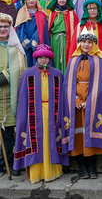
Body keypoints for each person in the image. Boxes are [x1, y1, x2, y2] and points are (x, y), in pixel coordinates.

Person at [14, 44, 69, 183]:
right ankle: (37, 173)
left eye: (46, 57)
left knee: (50, 140)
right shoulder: (28, 73)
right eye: (40, 57)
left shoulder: (57, 74)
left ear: (49, 58)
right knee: (36, 141)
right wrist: (22, 117)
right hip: (34, 114)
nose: (43, 60)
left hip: (52, 113)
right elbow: (22, 98)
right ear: (36, 58)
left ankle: (52, 171)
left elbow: (62, 98)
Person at [64, 27, 102, 179]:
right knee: (78, 135)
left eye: (89, 42)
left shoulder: (101, 60)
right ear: (79, 43)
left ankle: (92, 166)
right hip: (77, 103)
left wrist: (90, 102)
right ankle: (82, 167)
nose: (86, 45)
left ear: (94, 44)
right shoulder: (73, 60)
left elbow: (101, 84)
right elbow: (68, 83)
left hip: (93, 102)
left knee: (90, 134)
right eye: (84, 42)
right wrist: (77, 100)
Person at [0, 13, 27, 177]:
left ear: (10, 29)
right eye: (0, 27)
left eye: (5, 26)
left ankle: (7, 162)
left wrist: (3, 77)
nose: (2, 29)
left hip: (10, 95)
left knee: (8, 132)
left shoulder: (16, 49)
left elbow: (19, 68)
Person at [47, 0, 79, 75]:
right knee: (56, 59)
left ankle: (66, 79)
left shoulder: (72, 14)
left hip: (67, 39)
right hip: (55, 40)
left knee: (66, 59)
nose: (62, 0)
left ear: (67, 0)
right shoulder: (52, 14)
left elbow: (76, 28)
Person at [15, 0, 50, 67]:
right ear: (25, 1)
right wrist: (26, 42)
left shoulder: (41, 14)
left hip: (38, 42)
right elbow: (20, 29)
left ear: (37, 0)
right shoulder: (22, 13)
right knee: (26, 62)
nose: (31, 1)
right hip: (25, 44)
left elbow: (41, 30)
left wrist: (34, 41)